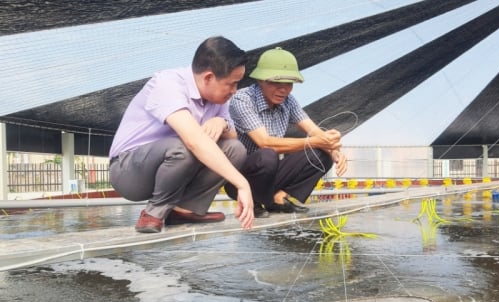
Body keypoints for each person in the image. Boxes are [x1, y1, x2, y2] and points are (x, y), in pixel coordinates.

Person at [109, 36, 254, 233]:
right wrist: (242, 184)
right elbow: (194, 141)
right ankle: (153, 213)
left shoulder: (218, 99)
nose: (235, 91)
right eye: (232, 83)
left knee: (235, 150)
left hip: (174, 166)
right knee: (184, 147)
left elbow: (233, 139)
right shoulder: (168, 84)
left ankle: (184, 210)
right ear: (209, 77)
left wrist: (221, 123)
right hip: (129, 171)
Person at [226, 47, 347, 217]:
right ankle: (254, 202)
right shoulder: (242, 99)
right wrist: (316, 141)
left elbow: (314, 131)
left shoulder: (288, 101)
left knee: (321, 154)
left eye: (288, 84)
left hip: (270, 176)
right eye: (276, 83)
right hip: (241, 178)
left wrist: (333, 150)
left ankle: (278, 197)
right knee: (267, 155)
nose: (283, 90)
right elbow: (264, 142)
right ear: (260, 80)